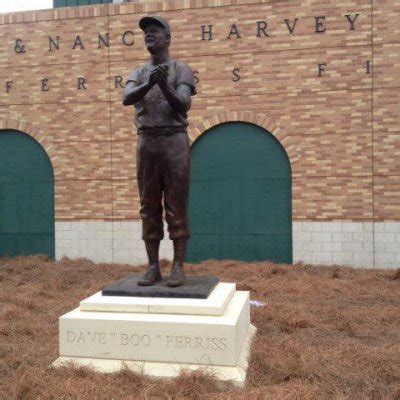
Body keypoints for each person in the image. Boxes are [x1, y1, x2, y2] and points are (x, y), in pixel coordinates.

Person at [123, 16, 196, 287]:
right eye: (146, 33)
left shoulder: (180, 69)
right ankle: (153, 266)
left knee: (177, 204)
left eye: (155, 31)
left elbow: (183, 105)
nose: (148, 36)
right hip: (147, 143)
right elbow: (127, 98)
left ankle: (178, 266)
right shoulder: (139, 72)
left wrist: (163, 84)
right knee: (148, 206)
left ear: (168, 38)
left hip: (174, 142)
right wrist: (150, 82)